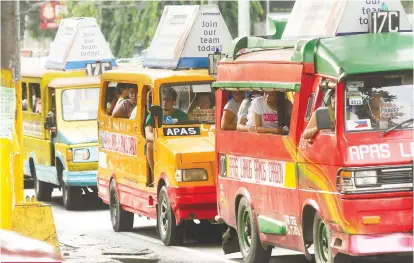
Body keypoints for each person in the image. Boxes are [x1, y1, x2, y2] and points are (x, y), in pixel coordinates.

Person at [144, 87, 188, 186]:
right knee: (149, 145)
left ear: (173, 101)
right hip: (160, 143)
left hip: (178, 142)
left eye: (168, 99)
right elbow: (148, 134)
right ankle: (155, 176)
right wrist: (158, 140)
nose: (164, 102)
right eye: (162, 99)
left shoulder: (182, 116)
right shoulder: (152, 115)